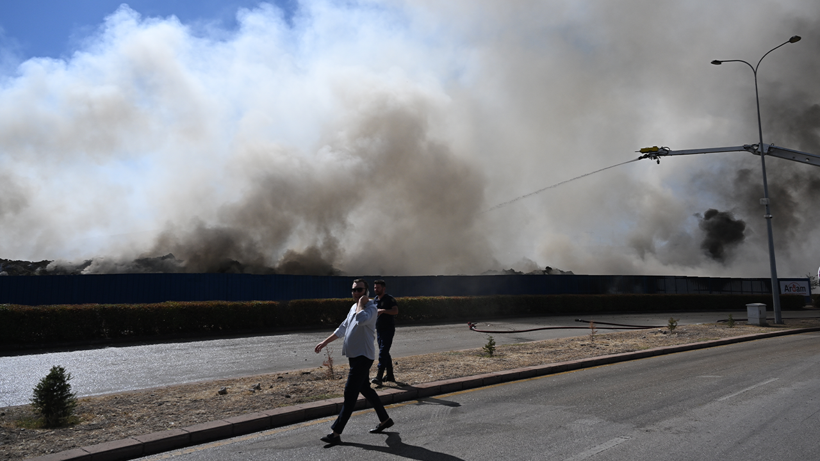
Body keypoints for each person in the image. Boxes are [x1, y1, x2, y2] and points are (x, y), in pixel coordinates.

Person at [314, 279, 394, 446]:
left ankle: (336, 433)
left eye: (360, 290)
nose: (356, 293)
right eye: (354, 290)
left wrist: (361, 303)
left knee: (350, 394)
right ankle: (385, 420)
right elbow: (343, 327)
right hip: (354, 356)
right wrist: (325, 342)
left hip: (363, 357)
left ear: (366, 292)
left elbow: (361, 319)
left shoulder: (371, 308)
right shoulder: (353, 307)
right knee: (365, 389)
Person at [371, 279, 399, 386]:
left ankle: (379, 376)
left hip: (388, 329)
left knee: (382, 352)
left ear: (383, 288)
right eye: (374, 287)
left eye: (378, 288)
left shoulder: (389, 299)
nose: (376, 289)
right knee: (385, 352)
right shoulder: (374, 300)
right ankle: (390, 375)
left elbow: (395, 311)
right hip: (379, 330)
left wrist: (383, 311)